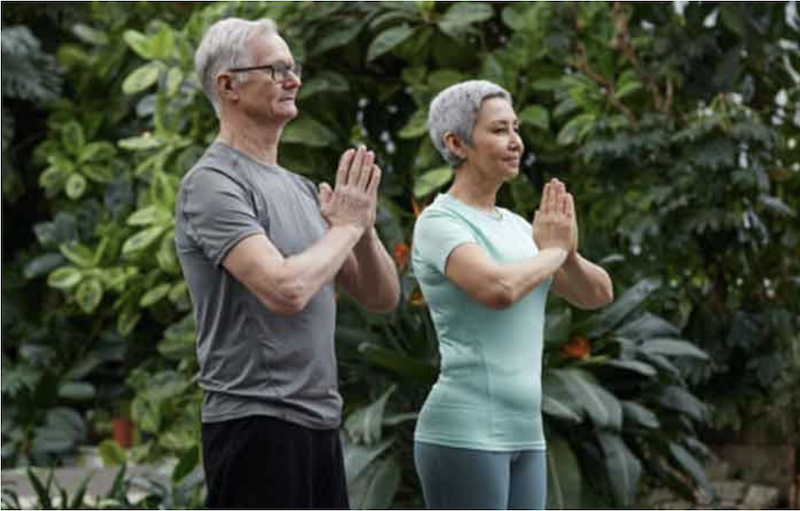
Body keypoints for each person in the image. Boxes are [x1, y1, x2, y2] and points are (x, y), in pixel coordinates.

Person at [175, 17, 400, 509]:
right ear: (228, 85)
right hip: (255, 426)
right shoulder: (212, 184)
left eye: (292, 68)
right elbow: (285, 290)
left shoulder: (299, 188)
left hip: (318, 423)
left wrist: (361, 228)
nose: (293, 79)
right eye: (276, 70)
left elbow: (382, 297)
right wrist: (345, 227)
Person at [411, 80, 614, 510]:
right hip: (463, 431)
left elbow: (598, 294)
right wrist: (555, 251)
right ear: (457, 143)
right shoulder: (439, 222)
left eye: (516, 128)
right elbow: (498, 288)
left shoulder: (521, 228)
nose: (515, 141)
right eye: (499, 130)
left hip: (527, 435)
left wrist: (569, 254)